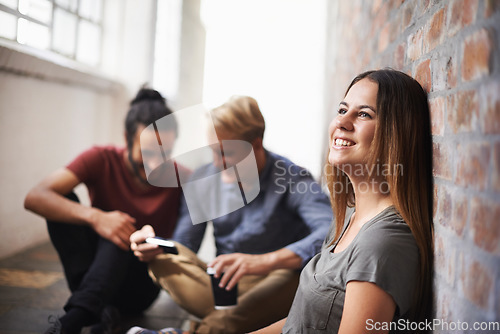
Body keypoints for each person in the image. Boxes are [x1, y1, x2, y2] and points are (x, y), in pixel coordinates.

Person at [128, 96, 334, 334]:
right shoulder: (202, 180)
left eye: (227, 154)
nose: (217, 163)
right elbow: (186, 244)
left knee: (296, 275)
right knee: (162, 260)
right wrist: (155, 245)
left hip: (274, 280)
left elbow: (330, 231)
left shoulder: (291, 178)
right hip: (224, 283)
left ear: (256, 145)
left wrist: (261, 262)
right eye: (213, 152)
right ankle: (242, 318)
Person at [253, 69, 434, 334]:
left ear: (396, 133)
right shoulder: (349, 216)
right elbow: (299, 324)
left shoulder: (382, 242)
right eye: (342, 110)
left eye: (363, 114)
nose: (343, 122)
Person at [24, 88, 184, 334]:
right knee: (64, 200)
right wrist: (97, 218)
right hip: (94, 275)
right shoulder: (101, 158)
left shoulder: (182, 179)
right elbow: (35, 197)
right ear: (126, 138)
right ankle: (101, 313)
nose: (155, 165)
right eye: (147, 153)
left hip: (140, 286)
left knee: (120, 233)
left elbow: (186, 244)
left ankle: (75, 318)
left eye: (164, 154)